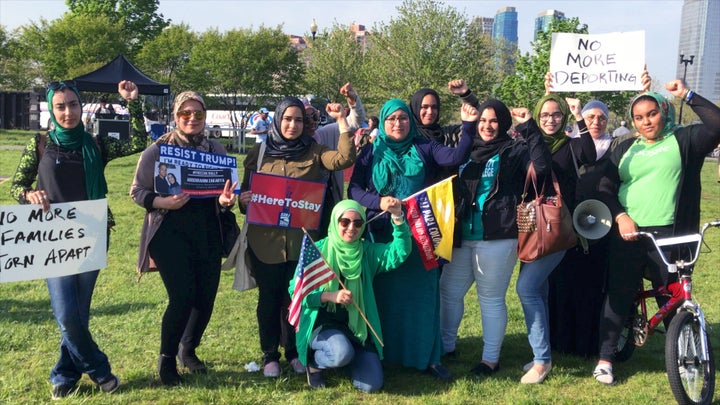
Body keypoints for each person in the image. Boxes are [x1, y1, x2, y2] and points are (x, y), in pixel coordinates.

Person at [10, 80, 146, 399]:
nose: (68, 112)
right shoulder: (41, 144)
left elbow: (140, 140)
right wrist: (28, 194)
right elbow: (15, 184)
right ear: (51, 109)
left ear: (80, 106)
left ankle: (64, 374)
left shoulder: (96, 145)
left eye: (73, 104)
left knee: (78, 313)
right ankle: (99, 369)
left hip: (91, 235)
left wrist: (133, 103)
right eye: (60, 106)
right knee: (67, 314)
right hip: (53, 239)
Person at [593, 81, 720, 385]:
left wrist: (688, 95)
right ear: (633, 121)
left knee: (674, 293)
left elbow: (717, 125)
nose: (646, 121)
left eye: (651, 114)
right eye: (639, 117)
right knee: (620, 293)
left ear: (663, 113)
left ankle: (681, 352)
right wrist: (620, 216)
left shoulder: (683, 139)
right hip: (628, 233)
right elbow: (605, 187)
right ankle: (605, 359)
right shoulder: (625, 147)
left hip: (671, 233)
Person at [348, 99, 474, 381]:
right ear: (382, 122)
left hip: (421, 235)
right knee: (385, 298)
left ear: (411, 121)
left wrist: (468, 126)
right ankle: (385, 355)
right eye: (391, 119)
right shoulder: (370, 152)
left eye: (403, 118)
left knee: (423, 298)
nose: (397, 123)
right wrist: (378, 202)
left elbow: (456, 159)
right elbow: (353, 190)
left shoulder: (424, 147)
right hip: (383, 236)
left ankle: (427, 357)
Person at [237, 96, 356, 378]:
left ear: (305, 124)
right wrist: (245, 200)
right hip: (265, 241)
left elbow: (344, 158)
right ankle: (269, 355)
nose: (292, 125)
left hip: (301, 243)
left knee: (296, 298)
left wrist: (341, 121)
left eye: (298, 120)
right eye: (287, 119)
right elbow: (244, 198)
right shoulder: (260, 152)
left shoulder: (314, 151)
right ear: (278, 119)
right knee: (269, 297)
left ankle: (293, 352)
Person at [130, 91, 238, 386]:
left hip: (207, 232)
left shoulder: (216, 149)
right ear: (175, 116)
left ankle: (187, 351)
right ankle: (166, 360)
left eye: (198, 114)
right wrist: (164, 202)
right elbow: (137, 191)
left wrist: (226, 202)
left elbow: (223, 194)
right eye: (184, 114)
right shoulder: (158, 149)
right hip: (170, 233)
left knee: (205, 298)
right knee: (181, 297)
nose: (192, 119)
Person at [439, 98, 550, 376]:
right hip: (463, 234)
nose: (488, 126)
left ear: (503, 123)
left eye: (494, 121)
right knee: (449, 292)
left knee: (489, 298)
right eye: (483, 121)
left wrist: (529, 128)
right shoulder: (466, 150)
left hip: (498, 236)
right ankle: (446, 346)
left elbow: (543, 167)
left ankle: (490, 359)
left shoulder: (514, 150)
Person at [514, 74, 597, 384]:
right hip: (532, 227)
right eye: (545, 115)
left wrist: (579, 116)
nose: (550, 120)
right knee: (540, 290)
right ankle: (542, 352)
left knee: (526, 289)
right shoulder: (527, 143)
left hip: (559, 229)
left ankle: (541, 360)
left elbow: (590, 154)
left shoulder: (572, 145)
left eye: (556, 114)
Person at [291, 199, 411, 392]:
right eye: (344, 222)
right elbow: (297, 293)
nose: (351, 228)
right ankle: (315, 364)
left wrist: (397, 217)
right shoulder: (318, 250)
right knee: (340, 352)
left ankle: (345, 359)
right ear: (335, 222)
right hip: (323, 324)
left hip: (357, 329)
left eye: (358, 223)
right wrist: (329, 296)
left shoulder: (366, 251)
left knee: (371, 385)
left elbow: (399, 252)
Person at [310, 83, 367, 237]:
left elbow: (355, 121)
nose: (309, 122)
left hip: (328, 201)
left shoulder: (325, 134)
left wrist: (352, 99)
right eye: (303, 118)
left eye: (313, 117)